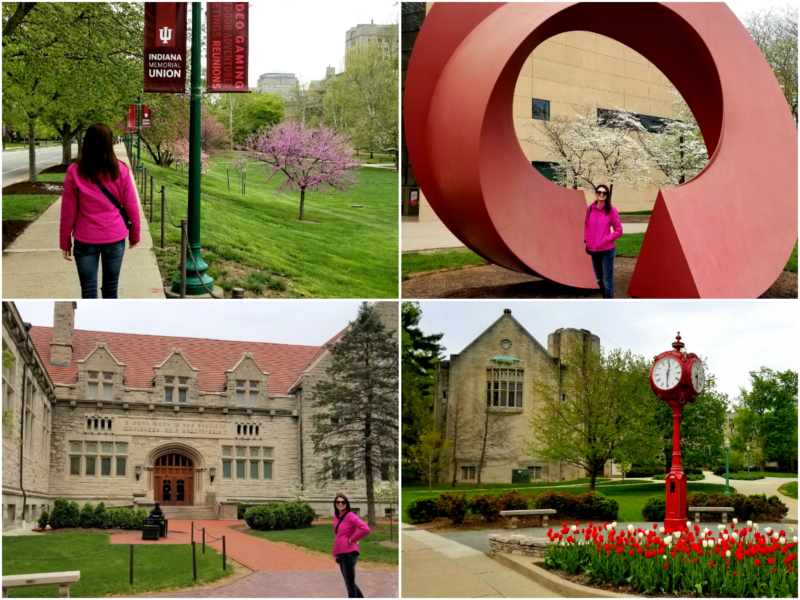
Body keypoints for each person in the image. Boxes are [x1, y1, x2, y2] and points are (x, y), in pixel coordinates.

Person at [60, 122, 140, 298]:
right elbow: (131, 206)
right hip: (114, 237)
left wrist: (65, 242)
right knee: (111, 289)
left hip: (85, 238)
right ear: (109, 142)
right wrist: (135, 234)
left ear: (87, 142)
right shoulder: (121, 170)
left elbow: (68, 211)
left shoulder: (75, 171)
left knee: (88, 291)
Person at [584, 184, 622, 299]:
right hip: (593, 250)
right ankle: (605, 301)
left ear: (607, 195)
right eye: (599, 192)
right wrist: (587, 240)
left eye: (604, 193)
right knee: (599, 279)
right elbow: (586, 225)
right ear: (596, 193)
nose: (601, 194)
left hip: (607, 251)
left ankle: (608, 306)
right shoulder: (590, 208)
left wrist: (605, 240)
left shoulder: (611, 210)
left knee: (607, 281)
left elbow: (619, 230)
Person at [333, 493, 371, 598]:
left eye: (343, 502)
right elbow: (338, 536)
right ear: (335, 504)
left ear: (346, 503)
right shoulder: (337, 517)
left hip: (349, 553)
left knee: (350, 585)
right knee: (350, 583)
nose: (340, 504)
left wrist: (352, 539)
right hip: (341, 553)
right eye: (338, 502)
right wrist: (336, 553)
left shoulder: (350, 515)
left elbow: (366, 529)